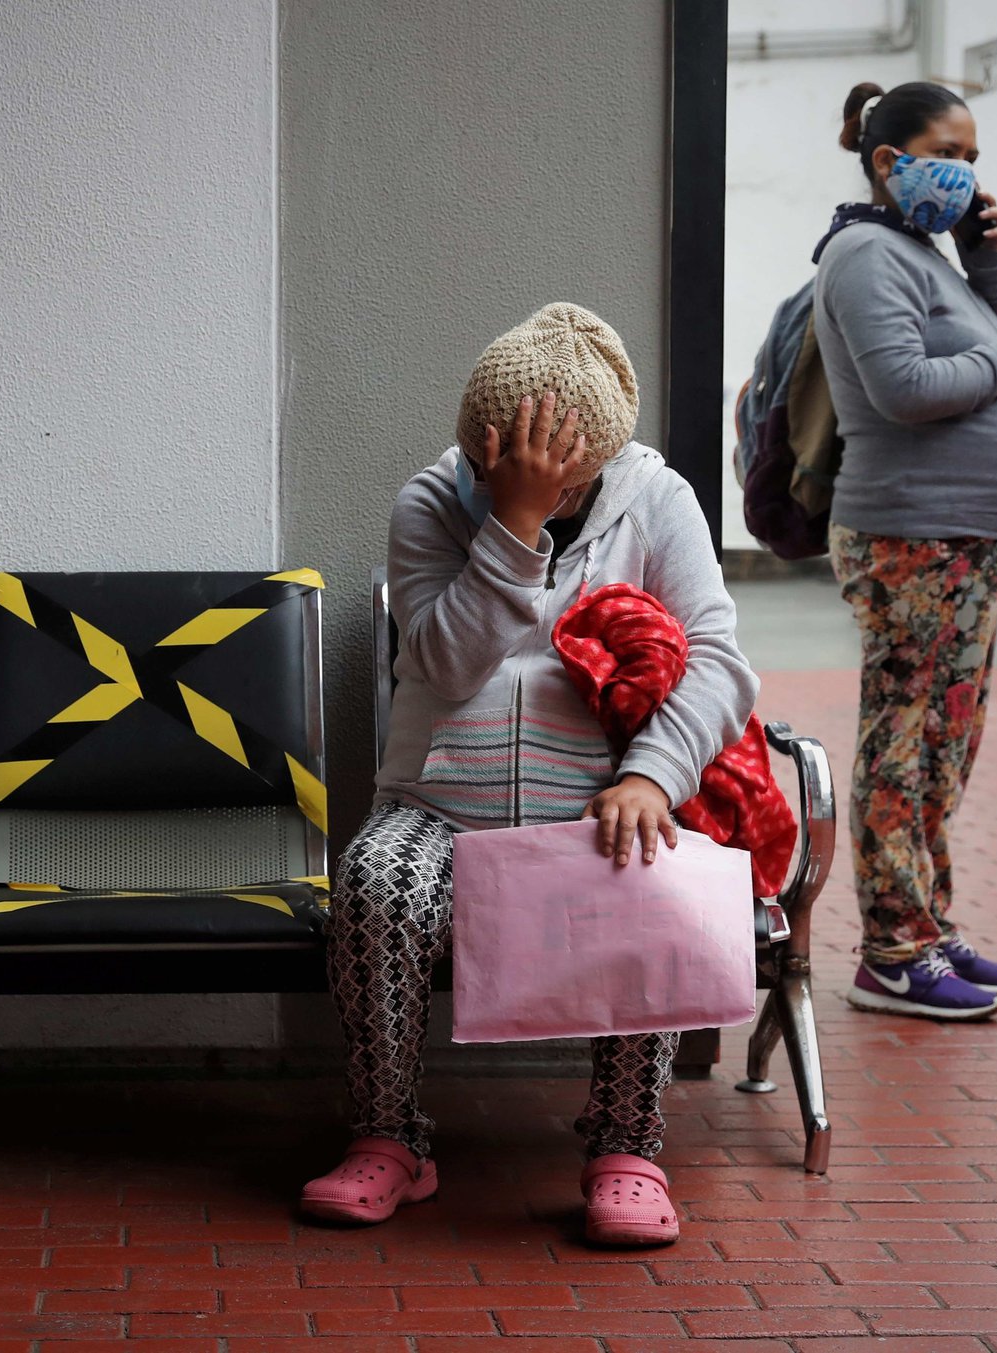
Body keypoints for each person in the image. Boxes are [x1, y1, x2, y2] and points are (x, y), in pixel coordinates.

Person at [301, 305, 758, 1246]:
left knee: (652, 884)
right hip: (439, 802)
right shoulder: (432, 502)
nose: (499, 479)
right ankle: (390, 1136)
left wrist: (651, 776)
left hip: (595, 801)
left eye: (550, 478)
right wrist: (509, 527)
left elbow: (718, 661)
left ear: (590, 466)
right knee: (373, 887)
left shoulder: (656, 501)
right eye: (488, 464)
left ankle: (626, 1147)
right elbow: (443, 662)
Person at [813, 82, 997, 1021]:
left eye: (973, 157)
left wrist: (988, 261)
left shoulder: (922, 252)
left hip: (966, 542)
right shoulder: (862, 253)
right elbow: (906, 388)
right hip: (910, 539)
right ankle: (890, 950)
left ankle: (928, 923)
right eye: (947, 154)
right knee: (903, 738)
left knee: (944, 744)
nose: (965, 172)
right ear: (889, 161)